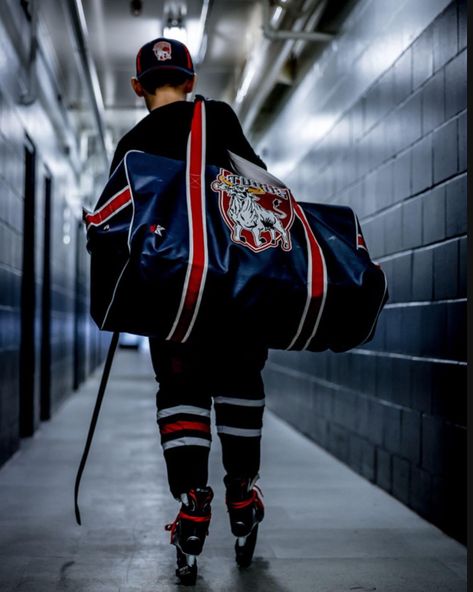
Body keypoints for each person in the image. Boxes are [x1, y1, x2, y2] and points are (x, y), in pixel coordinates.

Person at [109, 37, 267, 585]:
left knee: (181, 391)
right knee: (240, 384)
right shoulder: (218, 118)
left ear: (138, 88)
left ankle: (193, 505)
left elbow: (114, 230)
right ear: (191, 81)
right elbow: (263, 190)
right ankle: (241, 496)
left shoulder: (131, 143)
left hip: (172, 298)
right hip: (236, 289)